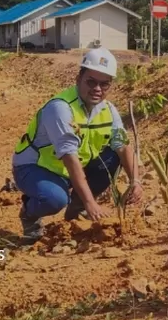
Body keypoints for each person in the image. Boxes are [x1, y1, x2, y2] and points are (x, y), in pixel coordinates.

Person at [12, 47, 142, 242]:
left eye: (104, 84)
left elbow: (123, 146)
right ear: (78, 79)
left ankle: (76, 210)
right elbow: (70, 158)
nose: (97, 89)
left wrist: (136, 181)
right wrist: (92, 202)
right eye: (91, 81)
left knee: (113, 157)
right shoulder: (61, 108)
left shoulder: (108, 109)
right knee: (55, 199)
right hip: (35, 168)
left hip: (70, 171)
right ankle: (29, 214)